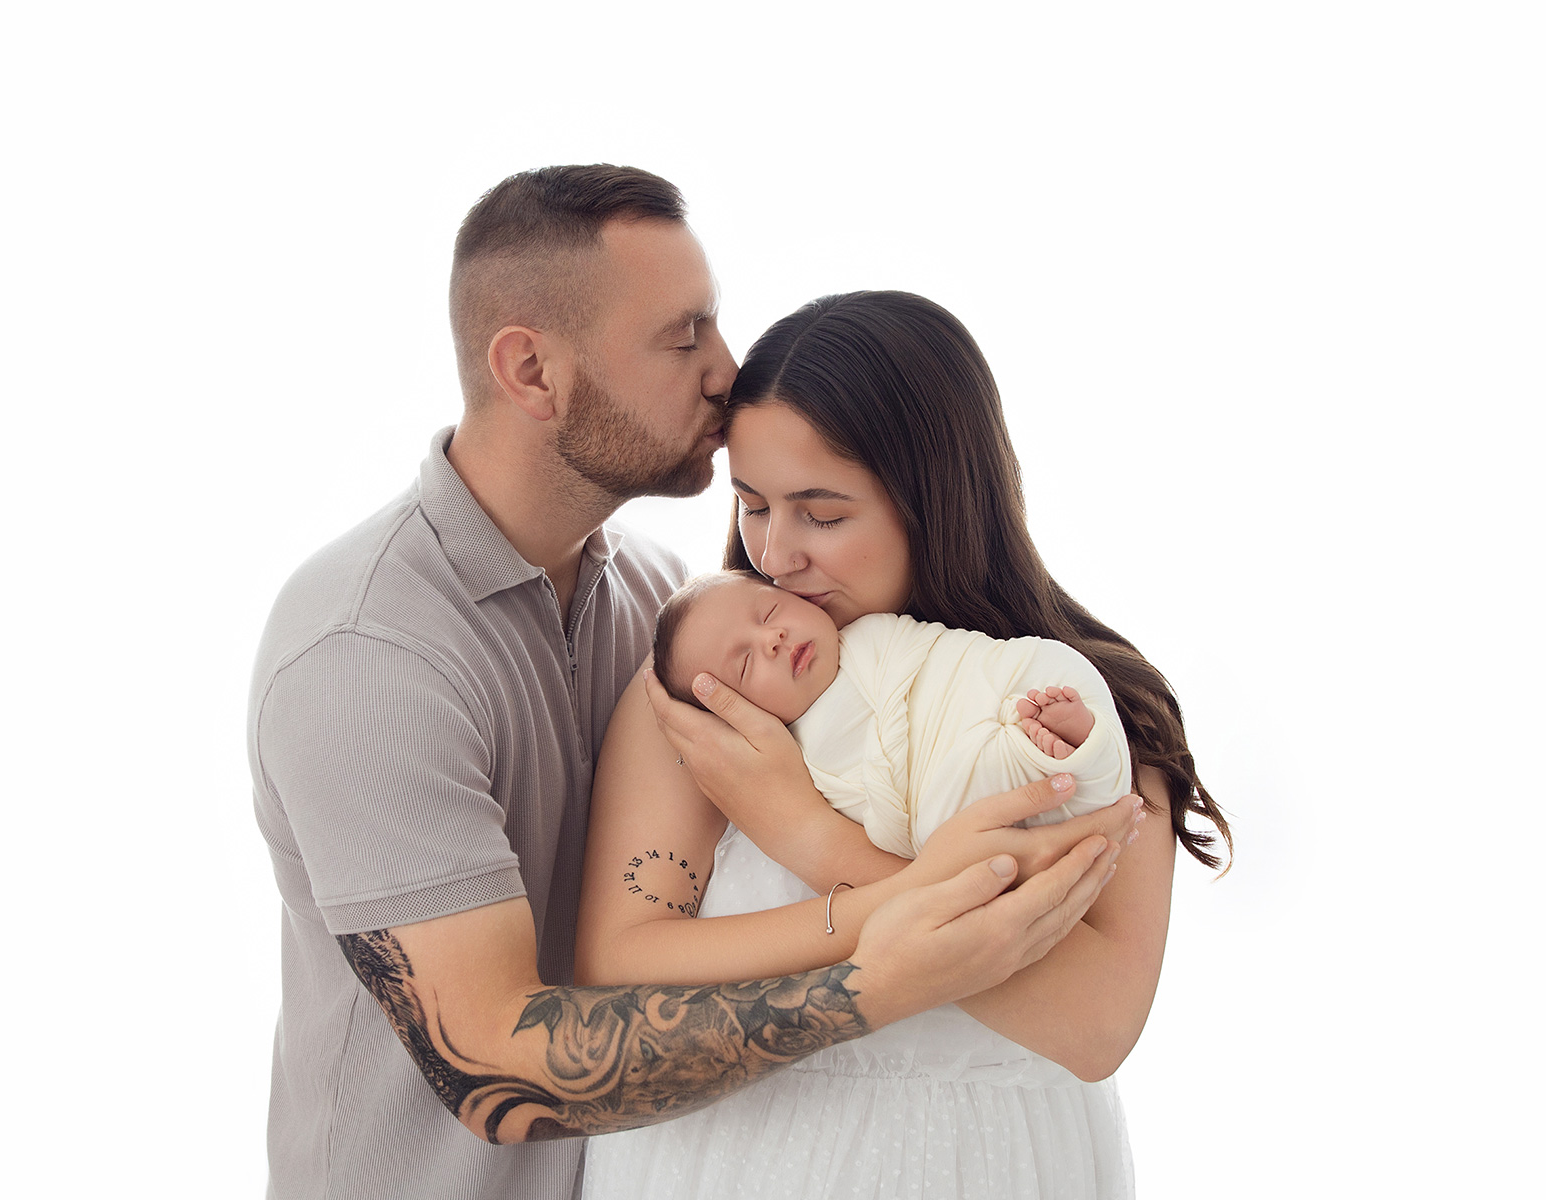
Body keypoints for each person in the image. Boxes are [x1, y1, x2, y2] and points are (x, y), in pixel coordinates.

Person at [248, 169, 1135, 1200]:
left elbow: (1098, 1014)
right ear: (532, 371)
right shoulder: (367, 654)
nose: (726, 368)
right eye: (684, 336)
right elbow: (490, 1058)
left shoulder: (678, 613)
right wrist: (875, 971)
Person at [577, 291, 1232, 1199]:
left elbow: (1094, 1025)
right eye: (753, 504)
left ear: (936, 495)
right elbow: (618, 962)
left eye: (823, 513)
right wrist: (912, 903)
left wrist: (812, 837)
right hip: (732, 1161)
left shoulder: (1074, 711)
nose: (776, 556)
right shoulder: (718, 678)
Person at [651, 569, 1133, 856]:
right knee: (943, 825)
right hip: (945, 783)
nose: (772, 640)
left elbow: (952, 656)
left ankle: (1071, 738)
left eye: (770, 612)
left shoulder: (872, 634)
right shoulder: (800, 758)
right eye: (746, 663)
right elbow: (885, 819)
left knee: (1043, 661)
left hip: (982, 688)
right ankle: (1043, 752)